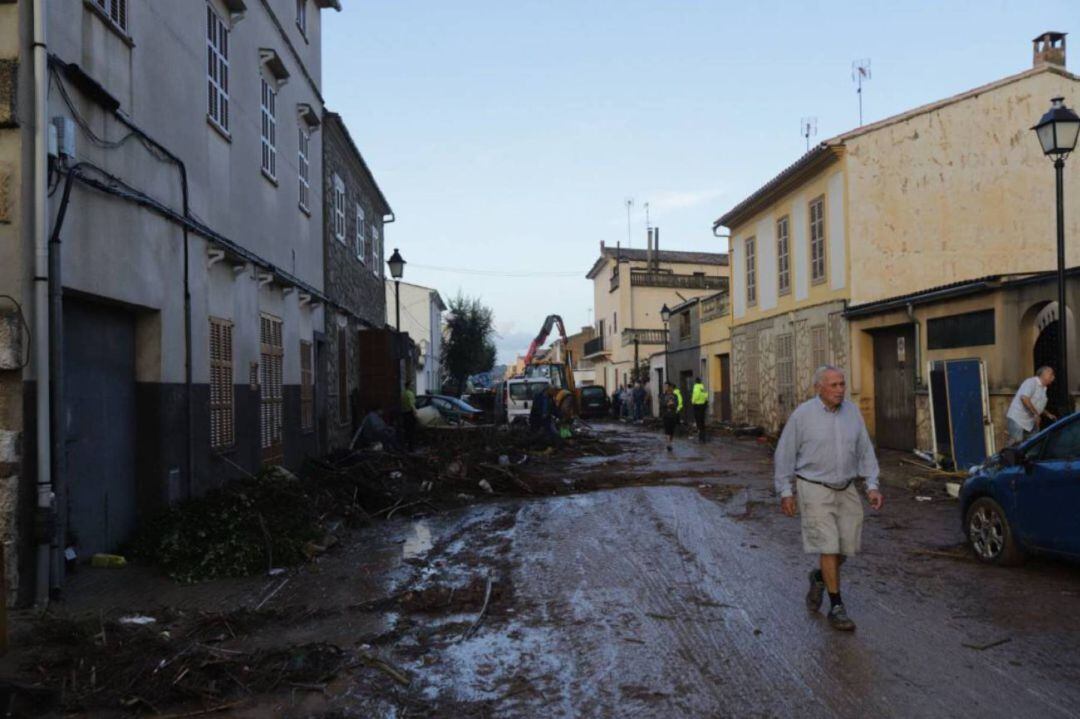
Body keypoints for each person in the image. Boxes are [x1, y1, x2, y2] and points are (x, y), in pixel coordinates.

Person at [774, 365, 883, 632]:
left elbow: (865, 450)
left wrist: (872, 485)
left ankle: (819, 577)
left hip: (846, 487)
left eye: (842, 384)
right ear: (818, 388)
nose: (840, 390)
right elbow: (784, 454)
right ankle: (836, 606)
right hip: (814, 487)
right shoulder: (803, 415)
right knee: (829, 546)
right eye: (833, 385)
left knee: (847, 547)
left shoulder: (852, 413)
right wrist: (786, 491)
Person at [1006, 366, 1057, 445]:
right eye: (1051, 374)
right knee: (1016, 444)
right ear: (1042, 374)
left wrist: (1048, 414)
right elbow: (1024, 398)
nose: (1053, 377)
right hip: (1018, 419)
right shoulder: (1031, 382)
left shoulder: (1044, 389)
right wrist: (1036, 414)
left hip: (1031, 422)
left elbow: (1037, 405)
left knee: (1031, 445)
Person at [660, 382, 679, 451]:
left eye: (667, 387)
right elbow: (661, 404)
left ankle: (670, 442)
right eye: (664, 387)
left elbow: (676, 404)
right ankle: (668, 444)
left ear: (670, 388)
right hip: (666, 415)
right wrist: (667, 404)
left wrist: (672, 404)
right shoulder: (662, 395)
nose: (665, 388)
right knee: (667, 429)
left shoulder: (675, 396)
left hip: (673, 415)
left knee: (672, 431)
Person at [691, 377, 708, 442]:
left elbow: (696, 395)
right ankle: (703, 437)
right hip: (703, 405)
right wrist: (704, 401)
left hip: (697, 405)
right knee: (702, 421)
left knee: (698, 422)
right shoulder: (702, 387)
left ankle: (700, 437)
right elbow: (706, 395)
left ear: (695, 382)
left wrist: (693, 401)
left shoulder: (696, 387)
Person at [401, 382, 417, 451]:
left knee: (406, 431)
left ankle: (405, 446)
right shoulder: (410, 393)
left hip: (404, 414)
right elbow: (411, 404)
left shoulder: (403, 393)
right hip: (410, 414)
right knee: (412, 431)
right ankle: (411, 448)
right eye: (412, 385)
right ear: (408, 386)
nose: (413, 387)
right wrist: (415, 413)